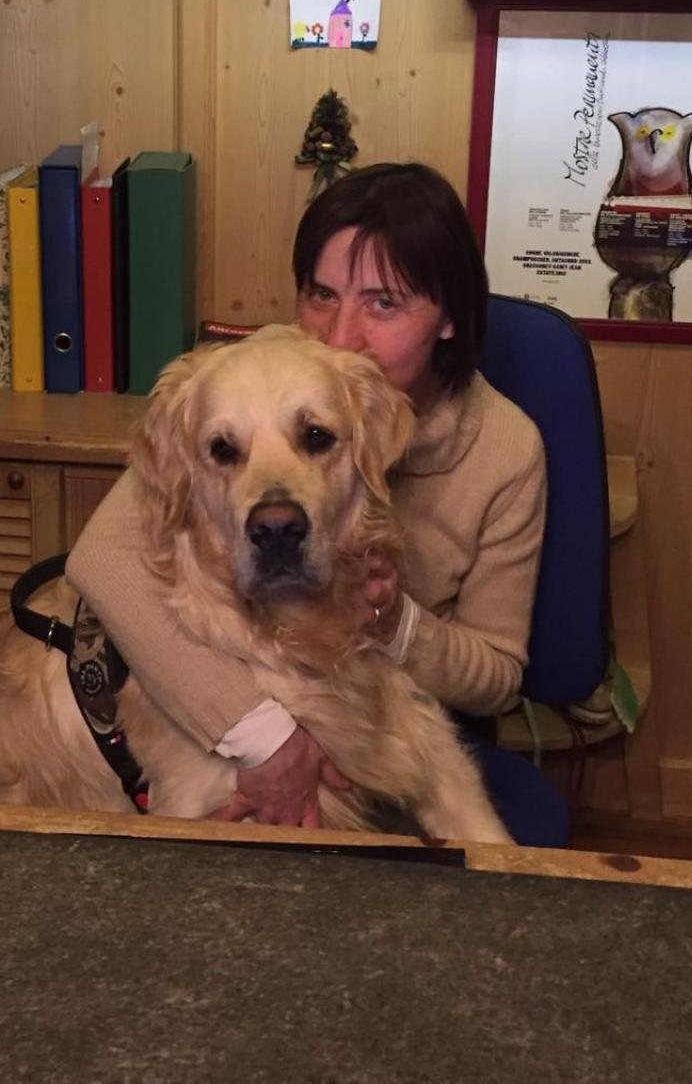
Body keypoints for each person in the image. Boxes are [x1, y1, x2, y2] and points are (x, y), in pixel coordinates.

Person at [66, 162, 569, 847]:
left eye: (383, 303)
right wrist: (263, 737)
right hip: (253, 697)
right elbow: (104, 558)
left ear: (450, 316)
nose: (340, 337)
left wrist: (395, 622)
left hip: (385, 704)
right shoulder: (254, 378)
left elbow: (496, 678)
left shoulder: (507, 450)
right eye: (322, 295)